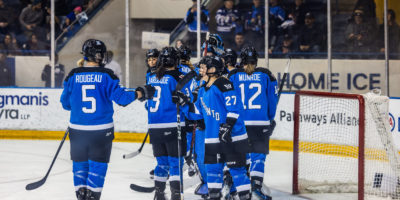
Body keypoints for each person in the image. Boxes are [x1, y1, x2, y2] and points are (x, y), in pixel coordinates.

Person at [60, 39, 155, 200]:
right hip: (100, 132)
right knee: (97, 167)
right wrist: (141, 92)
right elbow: (122, 99)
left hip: (77, 131)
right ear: (96, 55)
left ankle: (82, 195)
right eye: (101, 54)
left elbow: (66, 104)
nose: (103, 57)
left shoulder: (73, 75)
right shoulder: (106, 75)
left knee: (80, 166)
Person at [177, 55, 252, 200]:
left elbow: (235, 109)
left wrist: (227, 127)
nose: (200, 69)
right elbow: (198, 113)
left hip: (233, 138)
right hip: (212, 138)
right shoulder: (203, 90)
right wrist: (184, 103)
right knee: (212, 172)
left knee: (238, 172)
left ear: (212, 70)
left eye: (203, 67)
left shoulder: (224, 84)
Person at [228, 47, 278, 200]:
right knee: (258, 157)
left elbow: (227, 100)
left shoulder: (233, 75)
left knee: (239, 156)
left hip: (239, 123)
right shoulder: (266, 75)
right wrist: (269, 119)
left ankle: (234, 188)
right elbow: (272, 101)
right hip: (260, 123)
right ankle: (256, 187)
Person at [147, 47, 191, 200]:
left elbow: (147, 104)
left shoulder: (151, 77)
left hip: (154, 128)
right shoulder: (179, 77)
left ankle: (159, 195)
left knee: (162, 164)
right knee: (175, 163)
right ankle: (176, 196)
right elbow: (187, 103)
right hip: (173, 126)